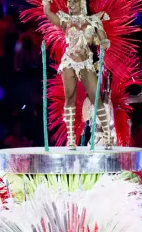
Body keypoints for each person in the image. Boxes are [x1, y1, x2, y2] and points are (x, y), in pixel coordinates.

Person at [42, 0, 113, 149]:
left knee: (96, 98)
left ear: (82, 3)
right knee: (70, 97)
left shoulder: (92, 20)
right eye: (69, 2)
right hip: (69, 61)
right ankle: (71, 138)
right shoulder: (64, 19)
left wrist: (105, 42)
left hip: (86, 62)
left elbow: (103, 37)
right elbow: (48, 13)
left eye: (74, 1)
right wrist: (46, 2)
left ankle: (107, 136)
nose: (70, 4)